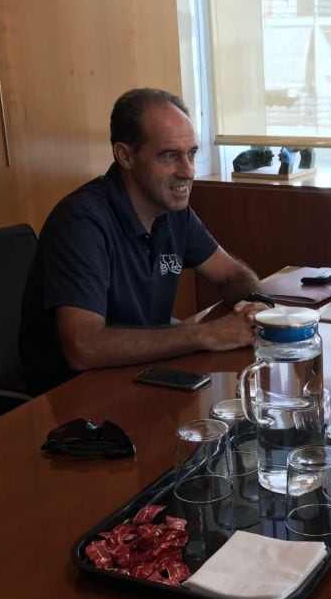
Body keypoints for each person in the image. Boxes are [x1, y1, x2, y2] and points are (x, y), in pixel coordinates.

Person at [20, 88, 265, 393]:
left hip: (144, 376)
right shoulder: (81, 222)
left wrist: (256, 304)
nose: (188, 172)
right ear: (125, 155)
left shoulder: (173, 210)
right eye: (170, 156)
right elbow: (84, 346)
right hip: (74, 397)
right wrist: (205, 334)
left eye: (191, 154)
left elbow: (231, 273)